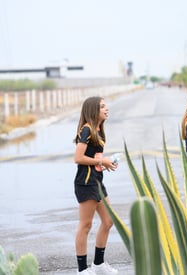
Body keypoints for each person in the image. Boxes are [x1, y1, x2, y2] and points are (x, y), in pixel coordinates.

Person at [73, 96, 119, 275]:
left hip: (97, 181)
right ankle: (82, 270)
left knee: (108, 221)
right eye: (102, 107)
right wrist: (101, 162)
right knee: (85, 225)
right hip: (86, 183)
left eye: (106, 106)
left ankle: (98, 265)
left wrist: (106, 163)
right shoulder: (86, 130)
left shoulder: (98, 130)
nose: (106, 109)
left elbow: (94, 158)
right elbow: (78, 158)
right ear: (93, 111)